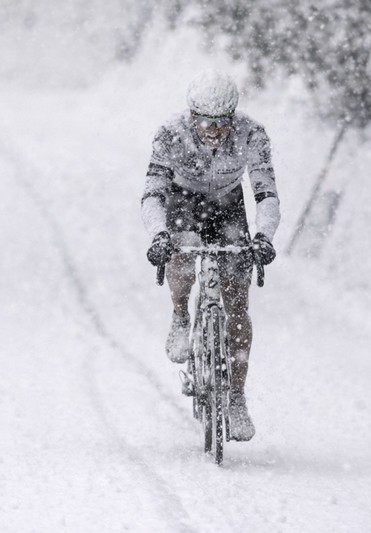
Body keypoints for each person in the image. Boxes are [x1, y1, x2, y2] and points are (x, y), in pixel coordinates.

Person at [140, 70, 280, 441]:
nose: (214, 131)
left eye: (222, 123)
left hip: (228, 206)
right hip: (183, 203)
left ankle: (235, 399)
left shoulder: (252, 135)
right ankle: (181, 316)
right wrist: (158, 236)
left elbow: (266, 194)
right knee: (181, 248)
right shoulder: (170, 134)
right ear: (191, 116)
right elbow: (153, 194)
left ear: (233, 117)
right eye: (205, 122)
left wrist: (264, 236)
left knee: (237, 302)